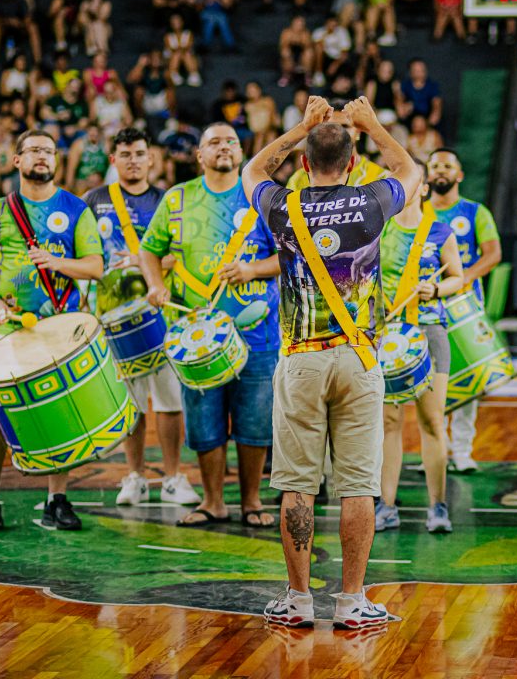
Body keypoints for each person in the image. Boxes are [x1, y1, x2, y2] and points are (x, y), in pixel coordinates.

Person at [243, 95, 418, 629]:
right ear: (352, 163)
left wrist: (300, 126)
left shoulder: (283, 206)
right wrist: (371, 123)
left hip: (300, 360)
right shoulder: (370, 202)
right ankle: (351, 601)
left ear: (303, 162)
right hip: (359, 358)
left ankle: (298, 600)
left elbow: (253, 170)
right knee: (359, 484)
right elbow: (409, 169)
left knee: (298, 483)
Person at [0, 130, 104, 535]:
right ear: (17, 160)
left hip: (60, 328)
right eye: (34, 150)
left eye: (49, 151)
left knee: (62, 416)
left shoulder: (76, 209)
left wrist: (58, 264)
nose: (42, 156)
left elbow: (95, 267)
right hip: (7, 329)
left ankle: (57, 499)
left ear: (56, 161)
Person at [139, 123, 280, 529]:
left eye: (231, 141)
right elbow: (149, 251)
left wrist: (252, 270)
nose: (223, 147)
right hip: (195, 336)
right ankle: (213, 501)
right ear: (199, 155)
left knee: (255, 422)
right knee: (204, 422)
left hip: (257, 333)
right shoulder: (177, 198)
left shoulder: (262, 196)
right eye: (213, 142)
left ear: (242, 152)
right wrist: (156, 285)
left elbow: (290, 255)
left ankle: (251, 501)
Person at [82, 128, 200, 507]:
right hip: (112, 318)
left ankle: (172, 477)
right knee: (130, 404)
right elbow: (83, 254)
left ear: (152, 159)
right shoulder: (93, 200)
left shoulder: (168, 200)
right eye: (125, 154)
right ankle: (134, 477)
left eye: (139, 154)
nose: (132, 160)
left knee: (169, 401)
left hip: (162, 314)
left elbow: (180, 256)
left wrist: (143, 261)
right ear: (113, 160)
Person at [376, 161, 465, 535]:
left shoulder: (440, 231)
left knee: (432, 421)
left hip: (429, 333)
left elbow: (457, 278)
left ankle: (438, 505)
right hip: (387, 334)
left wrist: (436, 289)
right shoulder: (376, 230)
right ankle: (386, 505)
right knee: (389, 422)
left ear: (423, 188)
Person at [425, 148, 501, 472]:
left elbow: (493, 254)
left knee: (468, 379)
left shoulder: (475, 212)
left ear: (460, 175)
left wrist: (463, 277)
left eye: (447, 165)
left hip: (466, 307)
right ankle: (435, 448)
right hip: (428, 305)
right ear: (427, 175)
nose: (440, 170)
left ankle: (462, 451)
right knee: (429, 378)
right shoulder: (418, 211)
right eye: (435, 166)